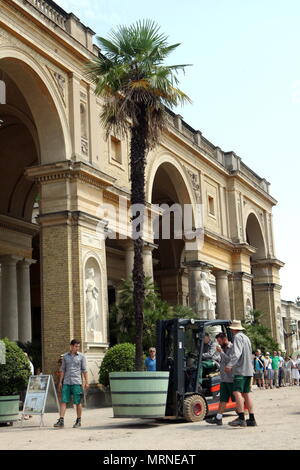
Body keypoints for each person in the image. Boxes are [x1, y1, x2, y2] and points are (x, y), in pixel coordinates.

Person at [225, 320, 256, 427]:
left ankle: (241, 417)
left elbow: (237, 353)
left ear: (233, 329)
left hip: (240, 370)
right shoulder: (246, 338)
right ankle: (252, 418)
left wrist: (229, 365)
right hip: (248, 370)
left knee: (236, 392)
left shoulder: (237, 338)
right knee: (246, 394)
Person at [54, 339, 89, 429]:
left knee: (78, 402)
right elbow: (62, 370)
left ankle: (78, 420)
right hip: (66, 382)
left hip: (77, 382)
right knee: (63, 401)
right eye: (76, 346)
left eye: (78, 346)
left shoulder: (81, 357)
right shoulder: (65, 356)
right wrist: (60, 382)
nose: (77, 348)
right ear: (71, 346)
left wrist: (86, 382)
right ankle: (61, 420)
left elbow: (84, 370)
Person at [205, 332, 234, 426]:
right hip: (224, 377)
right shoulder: (223, 348)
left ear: (225, 339)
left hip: (230, 378)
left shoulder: (231, 347)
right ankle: (218, 418)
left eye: (220, 341)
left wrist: (220, 352)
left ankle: (242, 416)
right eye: (217, 341)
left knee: (235, 398)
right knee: (223, 399)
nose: (219, 343)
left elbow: (230, 360)